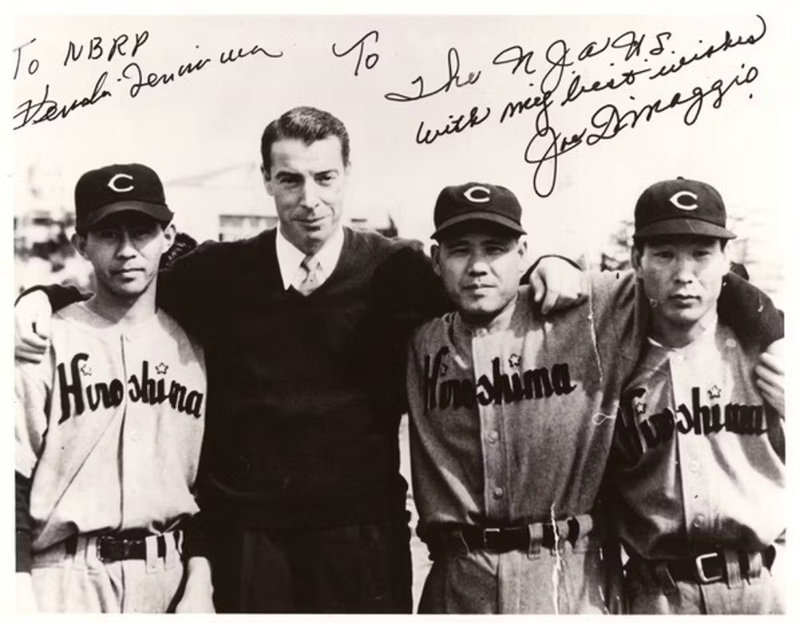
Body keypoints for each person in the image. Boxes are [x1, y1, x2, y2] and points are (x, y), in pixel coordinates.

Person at [13, 107, 586, 613]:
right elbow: (126, 282)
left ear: (346, 177)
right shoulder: (220, 271)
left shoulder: (400, 270)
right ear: (267, 182)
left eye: (324, 178)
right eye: (289, 180)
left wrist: (551, 263)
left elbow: (481, 283)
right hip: (249, 545)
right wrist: (42, 298)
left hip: (361, 542)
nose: (309, 199)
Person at [405, 181, 784, 614]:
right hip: (459, 577)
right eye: (459, 250)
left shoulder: (583, 311)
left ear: (522, 252)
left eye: (495, 249)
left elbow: (689, 285)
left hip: (564, 574)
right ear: (436, 259)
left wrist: (777, 336)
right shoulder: (419, 338)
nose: (477, 266)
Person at [15, 163, 212, 613]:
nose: (126, 251)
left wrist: (202, 580)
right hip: (63, 580)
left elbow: (209, 488)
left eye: (141, 232)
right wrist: (15, 581)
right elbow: (11, 478)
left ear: (168, 236)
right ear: (81, 244)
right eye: (108, 234)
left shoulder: (196, 347)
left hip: (169, 576)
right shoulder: (42, 339)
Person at [607, 178, 785, 614]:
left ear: (726, 260)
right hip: (656, 593)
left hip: (758, 587)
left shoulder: (767, 353)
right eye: (665, 254)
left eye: (701, 254)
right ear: (637, 259)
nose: (683, 275)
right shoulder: (614, 364)